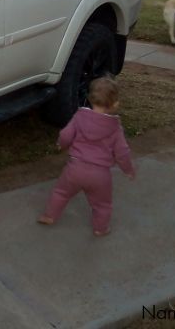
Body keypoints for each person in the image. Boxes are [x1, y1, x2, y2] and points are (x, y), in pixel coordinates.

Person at [38, 76, 135, 236]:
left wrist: (61, 145)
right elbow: (122, 152)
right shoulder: (115, 128)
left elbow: (66, 135)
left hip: (74, 169)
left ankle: (49, 216)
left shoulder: (80, 116)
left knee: (61, 193)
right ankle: (100, 228)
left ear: (90, 98)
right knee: (102, 204)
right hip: (100, 175)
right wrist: (128, 169)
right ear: (115, 104)